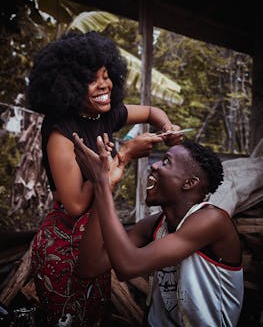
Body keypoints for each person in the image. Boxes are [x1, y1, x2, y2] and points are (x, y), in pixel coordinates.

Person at [27, 30, 183, 326]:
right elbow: (74, 205)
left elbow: (152, 110)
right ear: (69, 86)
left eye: (107, 74)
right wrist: (121, 156)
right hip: (67, 243)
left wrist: (168, 127)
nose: (105, 85)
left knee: (94, 313)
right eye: (93, 79)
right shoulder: (61, 134)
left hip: (98, 231)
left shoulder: (105, 114)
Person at [73, 133, 244, 327]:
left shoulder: (213, 220)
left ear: (189, 183)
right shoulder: (155, 224)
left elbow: (127, 267)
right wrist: (107, 185)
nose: (154, 166)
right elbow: (90, 266)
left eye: (166, 162)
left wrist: (101, 184)